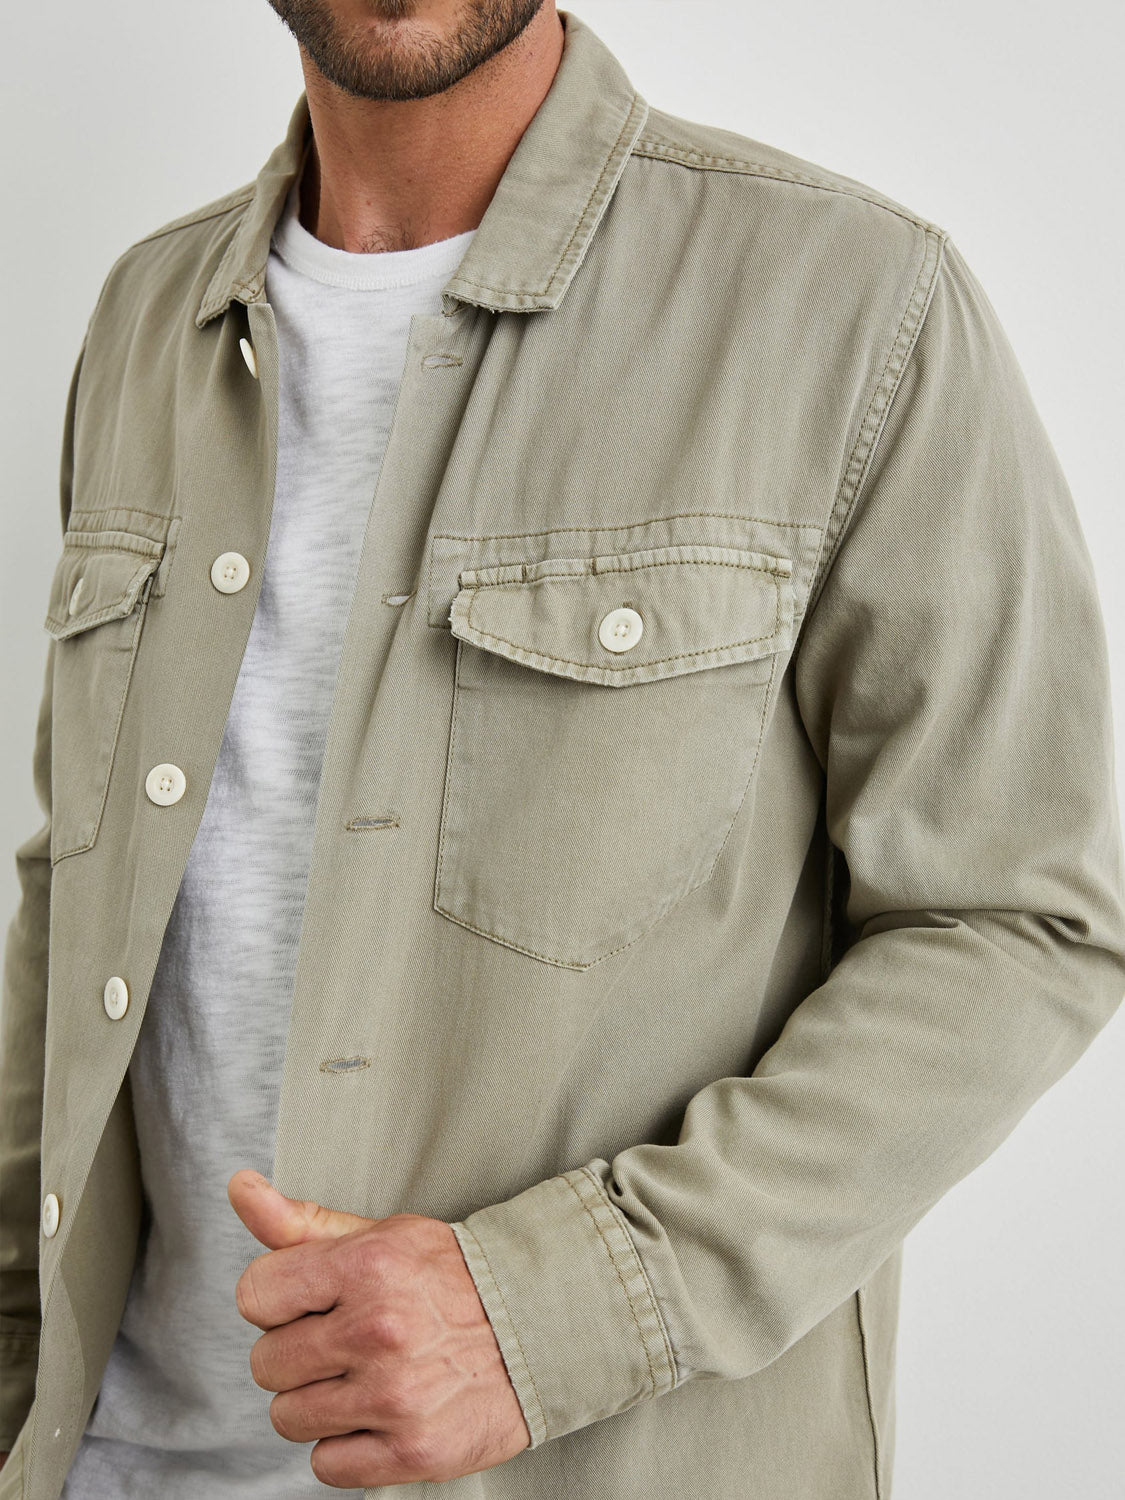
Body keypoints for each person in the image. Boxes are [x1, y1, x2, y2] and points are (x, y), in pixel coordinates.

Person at [2, 2, 1123, 1496]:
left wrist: (554, 1314)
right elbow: (75, 904)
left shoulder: (852, 303)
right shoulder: (148, 315)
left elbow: (1020, 917)